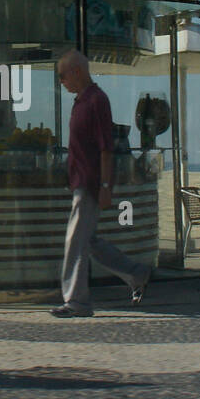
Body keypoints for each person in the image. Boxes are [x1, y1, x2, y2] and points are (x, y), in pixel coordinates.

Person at [53, 49, 152, 317]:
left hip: (90, 184)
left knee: (75, 242)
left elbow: (106, 148)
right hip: (81, 182)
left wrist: (106, 187)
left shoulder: (97, 100)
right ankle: (136, 273)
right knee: (88, 241)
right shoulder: (81, 101)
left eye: (62, 76)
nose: (61, 81)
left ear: (76, 71)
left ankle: (77, 302)